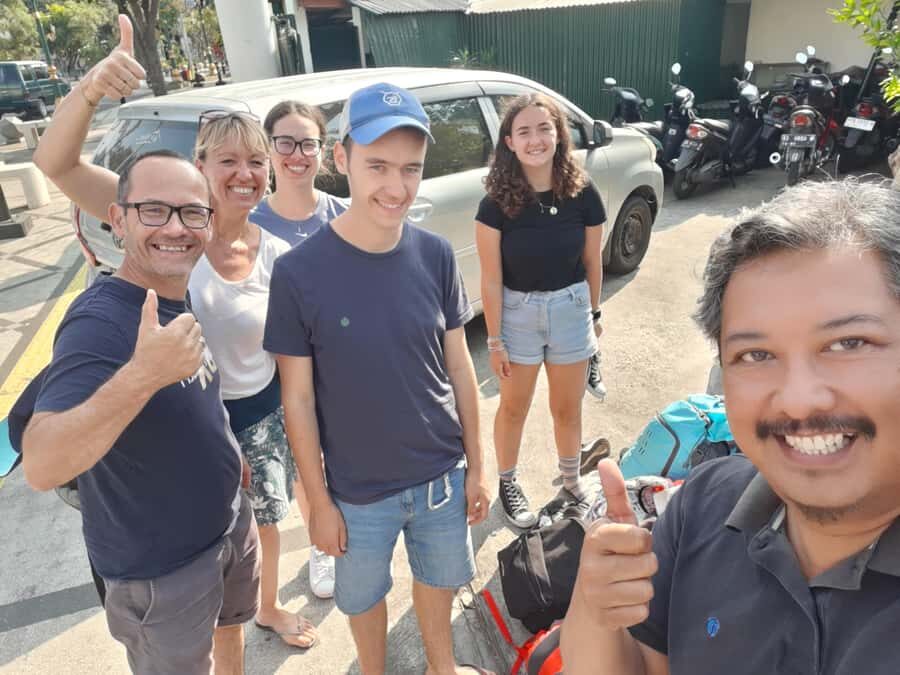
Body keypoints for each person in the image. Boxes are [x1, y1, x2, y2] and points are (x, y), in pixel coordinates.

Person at [562, 178, 900, 675]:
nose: (799, 400)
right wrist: (597, 608)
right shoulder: (703, 504)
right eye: (756, 355)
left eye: (848, 343)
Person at [26, 17, 258, 674]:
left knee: (232, 633)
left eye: (191, 212)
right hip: (161, 571)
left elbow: (198, 385)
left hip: (226, 520)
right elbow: (42, 464)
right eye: (154, 211)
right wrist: (91, 89)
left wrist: (229, 455)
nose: (175, 226)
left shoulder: (189, 266)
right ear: (118, 217)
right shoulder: (103, 319)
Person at [264, 82, 493, 675]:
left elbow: (460, 367)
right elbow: (297, 400)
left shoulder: (437, 254)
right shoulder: (297, 274)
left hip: (442, 477)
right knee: (363, 600)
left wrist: (478, 464)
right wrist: (316, 501)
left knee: (437, 587)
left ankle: (441, 667)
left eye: (411, 169)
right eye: (378, 166)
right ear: (341, 160)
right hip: (356, 492)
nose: (396, 187)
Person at [475, 93, 606, 528]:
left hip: (570, 309)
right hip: (517, 315)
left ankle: (572, 482)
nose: (536, 139)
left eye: (544, 128)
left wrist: (594, 313)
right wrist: (495, 340)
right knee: (514, 407)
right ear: (509, 142)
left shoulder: (583, 192)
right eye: (524, 131)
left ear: (558, 134)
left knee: (567, 408)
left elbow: (592, 261)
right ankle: (508, 483)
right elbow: (490, 279)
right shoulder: (495, 203)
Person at [252, 100, 346, 246]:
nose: (297, 155)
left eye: (308, 144)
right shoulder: (249, 224)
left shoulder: (346, 216)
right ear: (267, 148)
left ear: (321, 151)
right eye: (285, 143)